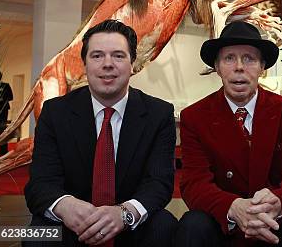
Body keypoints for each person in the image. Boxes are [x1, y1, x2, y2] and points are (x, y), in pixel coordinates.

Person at [24, 19, 178, 247]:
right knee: (35, 235)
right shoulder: (55, 112)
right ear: (84, 64)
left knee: (166, 226)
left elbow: (159, 183)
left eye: (118, 55)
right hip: (71, 225)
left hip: (129, 226)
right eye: (97, 56)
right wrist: (66, 206)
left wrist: (124, 214)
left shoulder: (159, 114)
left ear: (133, 63)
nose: (108, 64)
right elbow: (40, 182)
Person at [176, 21, 282, 247]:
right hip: (225, 224)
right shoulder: (195, 117)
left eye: (249, 59)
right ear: (217, 66)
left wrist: (276, 204)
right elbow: (194, 183)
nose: (239, 67)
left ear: (263, 67)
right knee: (193, 224)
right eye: (229, 58)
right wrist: (232, 207)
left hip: (275, 222)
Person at [0, 71, 13, 155]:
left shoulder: (5, 85)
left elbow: (11, 97)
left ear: (0, 77)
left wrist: (1, 100)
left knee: (2, 130)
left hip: (3, 111)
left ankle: (3, 150)